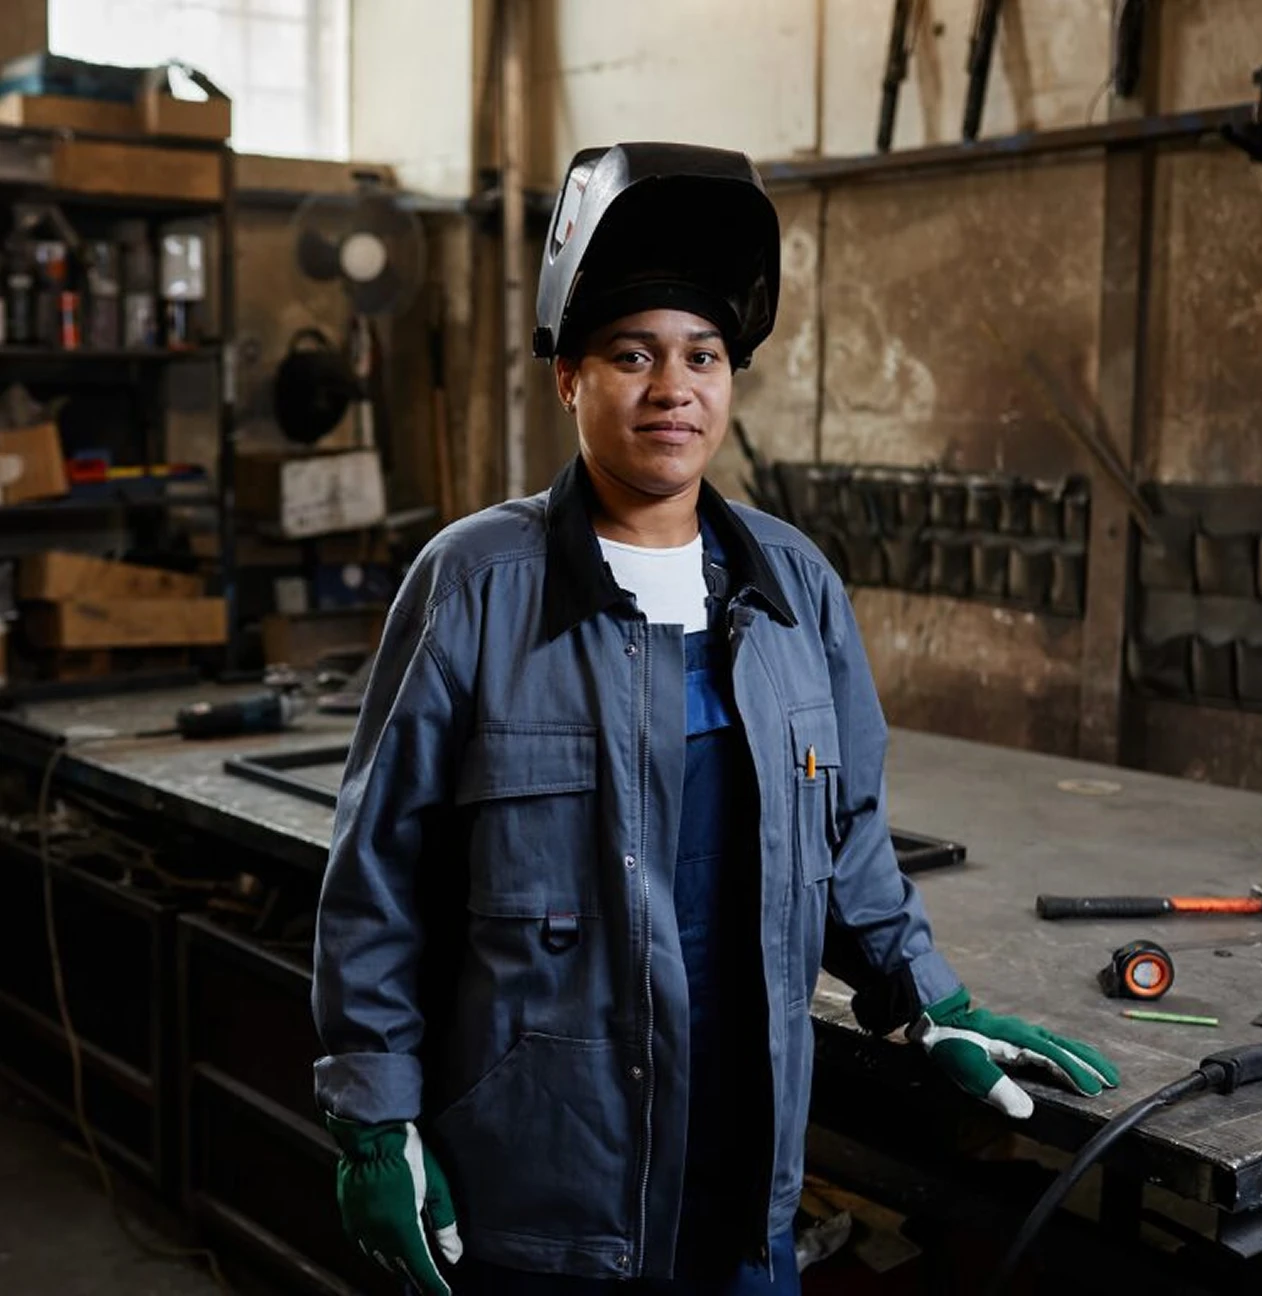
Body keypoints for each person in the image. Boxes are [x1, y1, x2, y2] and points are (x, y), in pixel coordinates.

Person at [311, 143, 1119, 1296]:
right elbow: (377, 875)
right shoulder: (473, 586)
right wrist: (372, 1117)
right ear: (567, 379)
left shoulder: (791, 588)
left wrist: (927, 1000)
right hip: (541, 1181)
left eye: (701, 357)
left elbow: (841, 837)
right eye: (630, 355)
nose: (670, 388)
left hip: (745, 1176)